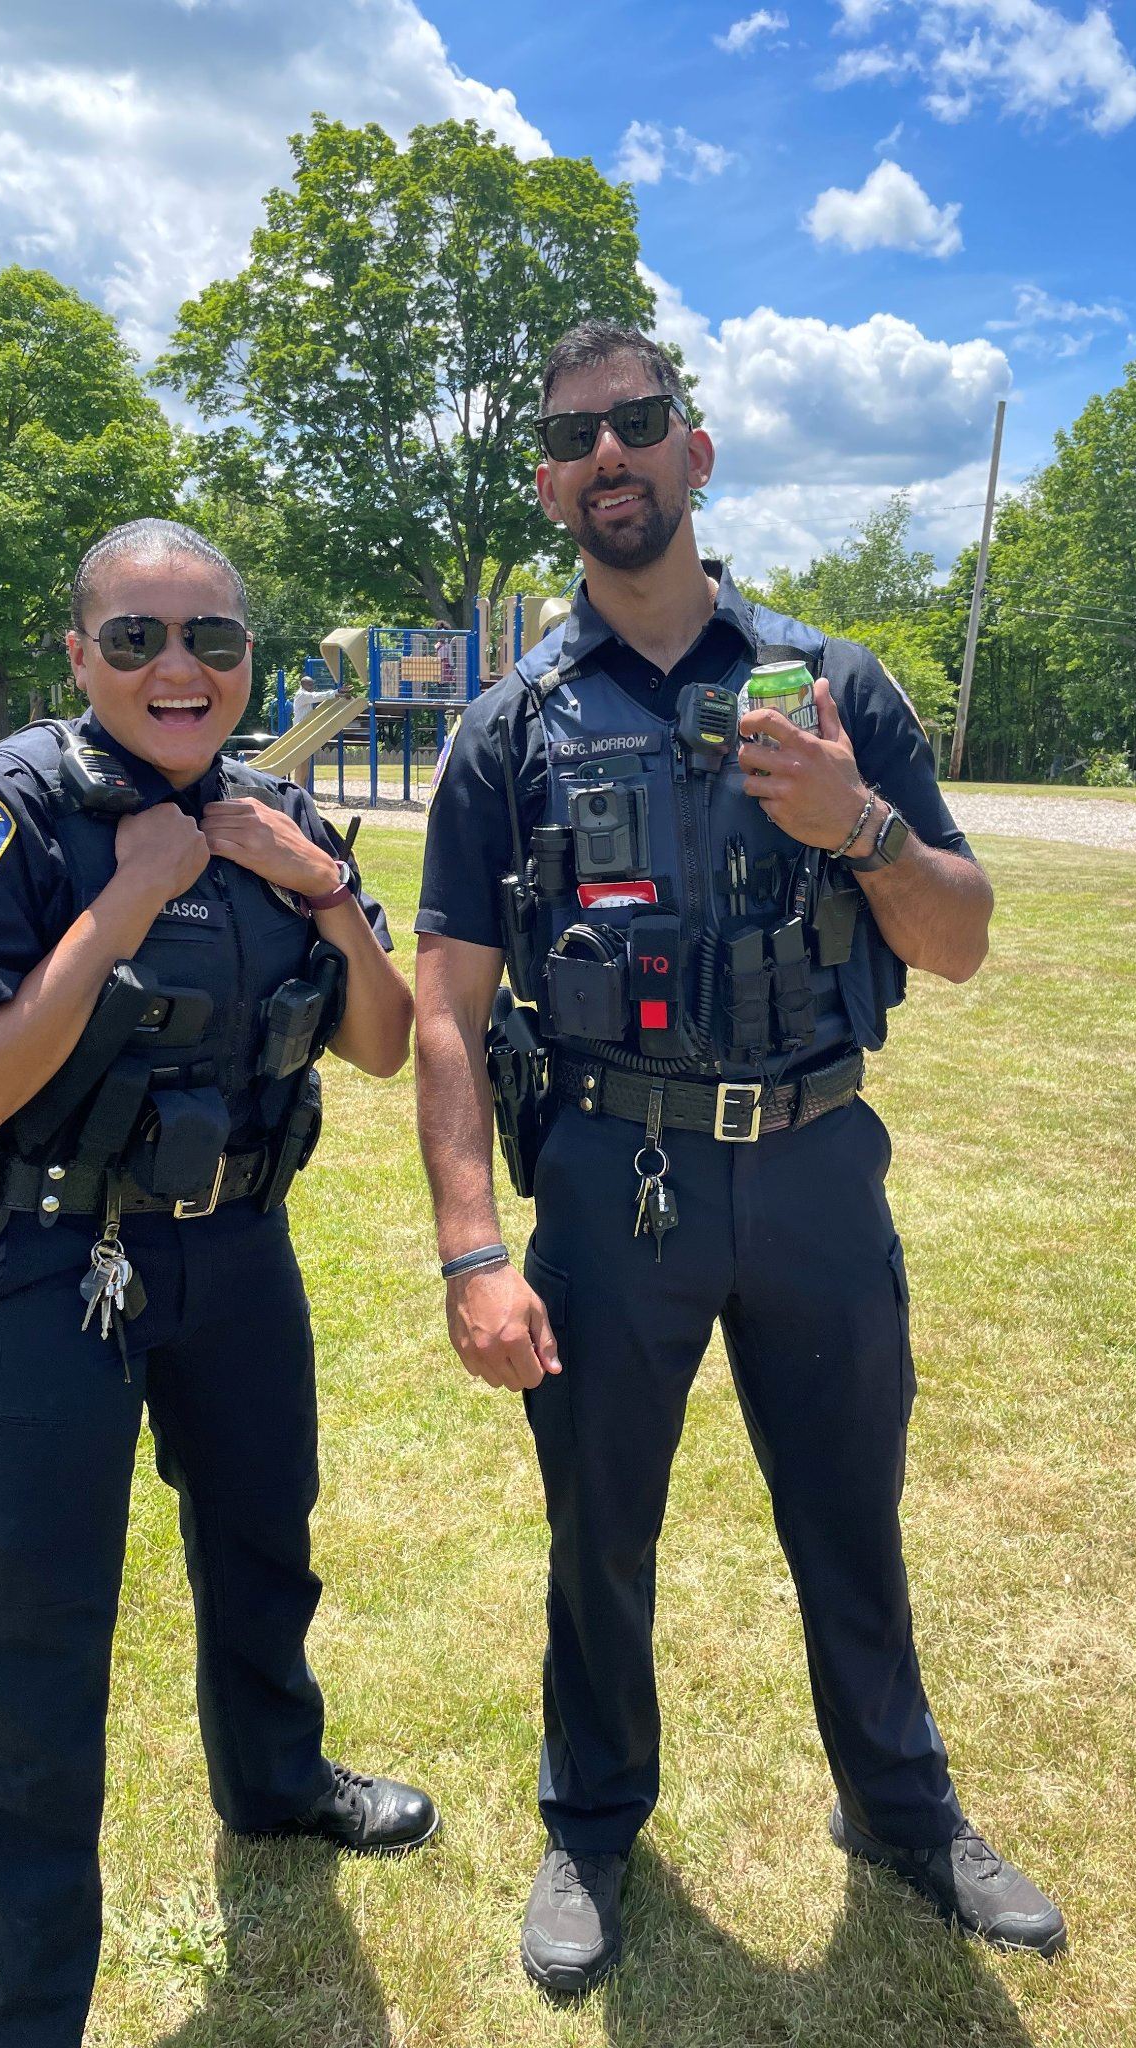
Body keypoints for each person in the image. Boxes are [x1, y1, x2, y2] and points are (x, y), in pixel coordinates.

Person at [413, 323, 1064, 1992]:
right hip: (613, 1184)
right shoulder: (510, 728)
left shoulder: (833, 689)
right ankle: (591, 1824)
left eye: (638, 423)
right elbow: (445, 1005)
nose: (607, 455)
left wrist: (855, 822)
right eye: (575, 437)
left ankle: (903, 1811)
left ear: (698, 455)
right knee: (598, 1523)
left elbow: (968, 936)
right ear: (551, 481)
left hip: (815, 1165)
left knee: (850, 1511)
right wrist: (474, 1250)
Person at [0, 519, 436, 2048]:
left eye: (211, 638)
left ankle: (274, 1784)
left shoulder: (278, 816)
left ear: (249, 657)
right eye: (137, 639)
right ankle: (24, 2015)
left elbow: (384, 1041)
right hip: (47, 1260)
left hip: (236, 1246)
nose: (178, 669)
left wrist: (320, 886)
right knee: (34, 1640)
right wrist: (126, 898)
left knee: (266, 1543)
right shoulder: (4, 813)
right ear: (80, 655)